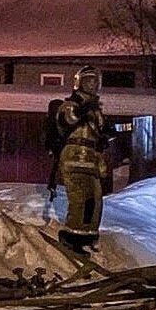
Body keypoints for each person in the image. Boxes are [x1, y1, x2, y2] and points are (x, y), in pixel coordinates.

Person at [56, 65, 108, 255]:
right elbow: (66, 121)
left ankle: (88, 235)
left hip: (91, 159)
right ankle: (71, 237)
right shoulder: (70, 104)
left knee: (95, 200)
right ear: (79, 83)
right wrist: (82, 109)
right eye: (87, 81)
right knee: (80, 198)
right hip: (74, 157)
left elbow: (101, 131)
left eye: (94, 81)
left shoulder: (97, 110)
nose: (92, 85)